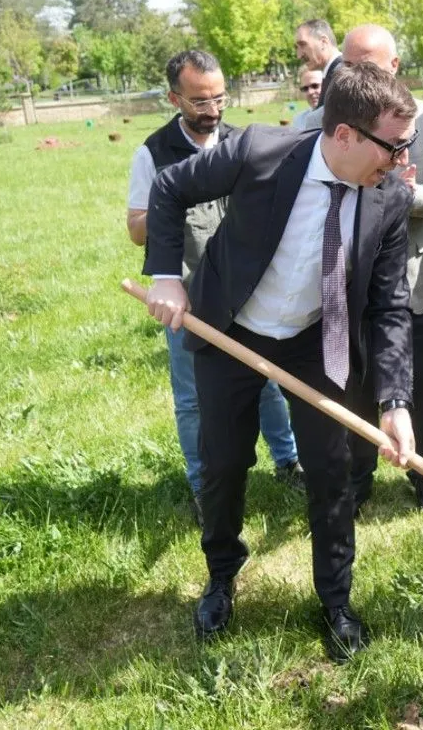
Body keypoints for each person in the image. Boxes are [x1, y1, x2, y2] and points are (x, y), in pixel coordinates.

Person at [142, 62, 417, 663]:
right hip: (231, 329)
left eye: (407, 146)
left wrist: (395, 402)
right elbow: (168, 190)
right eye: (392, 148)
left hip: (315, 338)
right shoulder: (261, 151)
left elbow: (390, 308)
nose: (399, 163)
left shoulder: (390, 199)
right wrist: (167, 277)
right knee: (224, 465)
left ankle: (336, 600)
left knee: (332, 470)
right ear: (344, 135)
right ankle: (220, 578)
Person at [127, 51, 304, 519]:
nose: (212, 110)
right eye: (200, 101)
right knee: (193, 399)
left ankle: (287, 463)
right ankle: (204, 484)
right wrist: (175, 203)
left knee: (264, 380)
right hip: (187, 295)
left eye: (220, 98)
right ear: (173, 98)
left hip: (246, 290)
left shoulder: (240, 142)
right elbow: (134, 227)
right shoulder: (153, 152)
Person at [330, 25, 423, 519]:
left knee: (416, 386)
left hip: (410, 284)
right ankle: (357, 478)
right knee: (353, 387)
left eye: (370, 65)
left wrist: (405, 192)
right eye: (349, 64)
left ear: (395, 66)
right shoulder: (319, 122)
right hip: (342, 284)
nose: (358, 74)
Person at [295, 19, 344, 99]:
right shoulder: (332, 73)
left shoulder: (342, 75)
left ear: (323, 42)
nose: (299, 55)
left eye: (303, 45)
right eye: (297, 48)